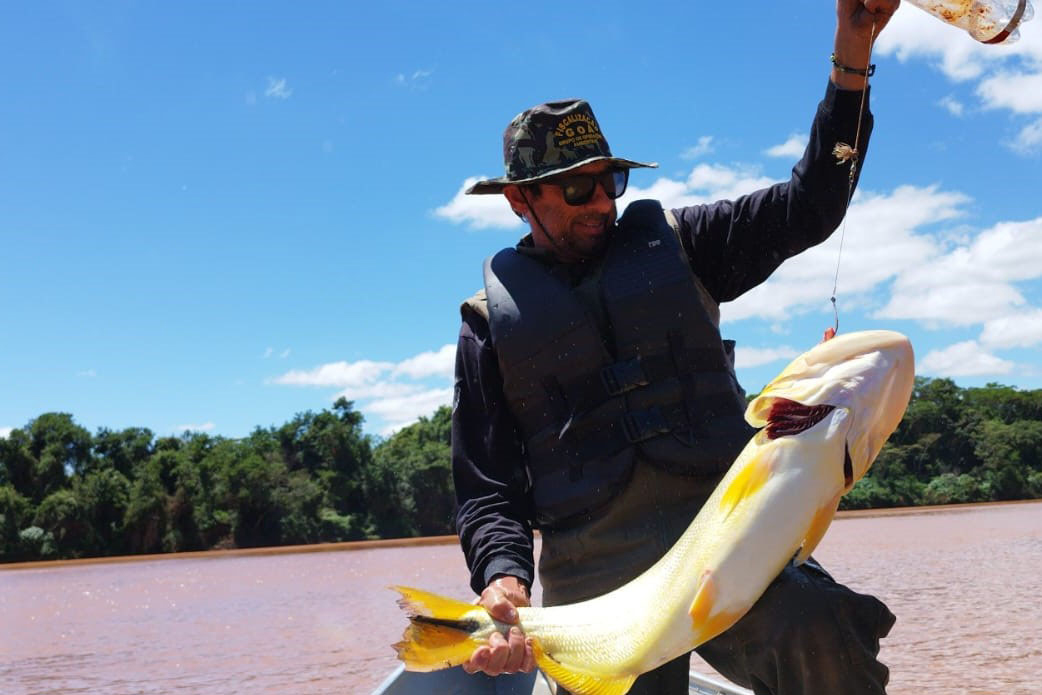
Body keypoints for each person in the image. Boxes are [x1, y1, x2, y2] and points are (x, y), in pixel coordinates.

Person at [451, 1, 901, 693]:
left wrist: (852, 56)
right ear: (520, 199)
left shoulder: (687, 243)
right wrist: (504, 581)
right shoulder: (488, 326)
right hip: (595, 569)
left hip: (723, 533)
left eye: (612, 181)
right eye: (577, 187)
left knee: (820, 628)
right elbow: (488, 488)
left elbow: (814, 202)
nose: (601, 201)